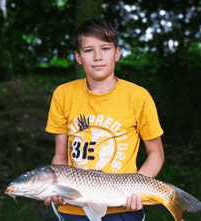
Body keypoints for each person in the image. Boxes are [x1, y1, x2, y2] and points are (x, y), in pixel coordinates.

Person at [45, 18, 164, 221]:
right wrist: (57, 187)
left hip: (122, 208)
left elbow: (156, 154)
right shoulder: (63, 94)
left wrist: (137, 189)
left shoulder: (139, 96)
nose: (98, 57)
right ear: (78, 57)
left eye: (105, 48)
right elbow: (60, 155)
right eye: (88, 50)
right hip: (74, 207)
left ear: (117, 53)